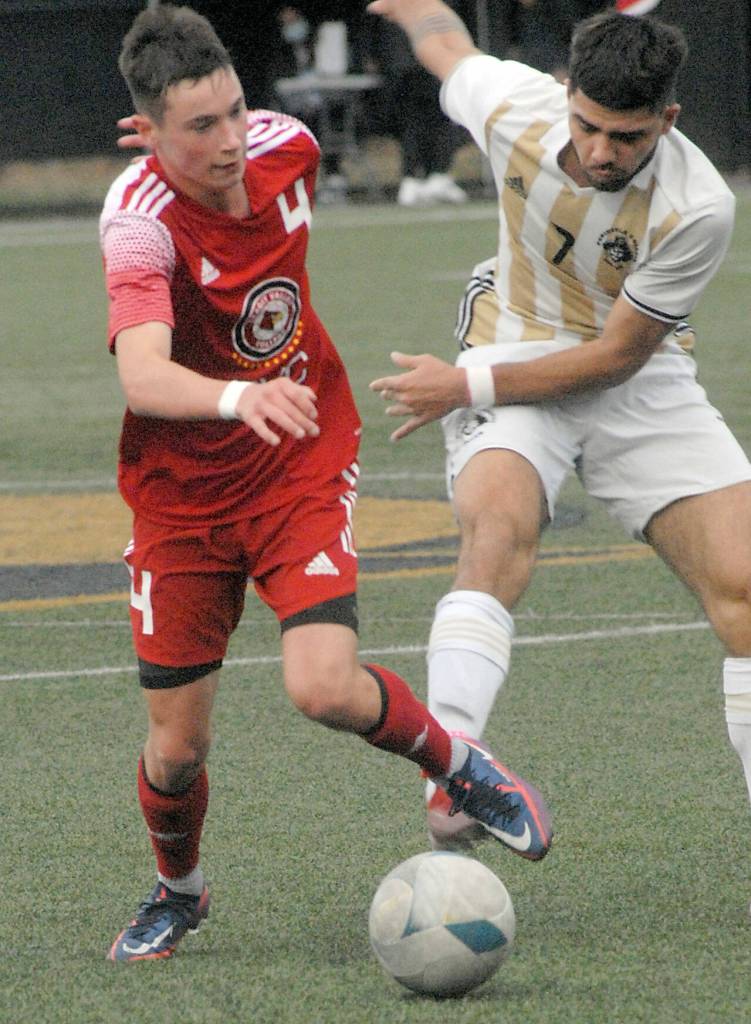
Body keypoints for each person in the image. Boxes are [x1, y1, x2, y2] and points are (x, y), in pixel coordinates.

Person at [99, 4, 553, 964]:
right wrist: (233, 398)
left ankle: (464, 770)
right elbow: (141, 373)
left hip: (298, 455)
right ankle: (179, 891)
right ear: (147, 130)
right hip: (181, 493)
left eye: (232, 112)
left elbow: (261, 141)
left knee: (322, 687)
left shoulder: (289, 143)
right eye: (199, 127)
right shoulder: (137, 220)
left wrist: (264, 405)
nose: (228, 142)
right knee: (176, 751)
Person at [367, 0, 751, 871]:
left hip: (633, 373)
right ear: (564, 92)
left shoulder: (698, 206)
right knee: (497, 529)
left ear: (668, 121)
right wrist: (413, 5)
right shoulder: (515, 105)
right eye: (586, 125)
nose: (600, 151)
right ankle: (454, 767)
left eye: (627, 136)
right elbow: (445, 44)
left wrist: (458, 385)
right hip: (513, 341)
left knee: (747, 591)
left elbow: (616, 358)